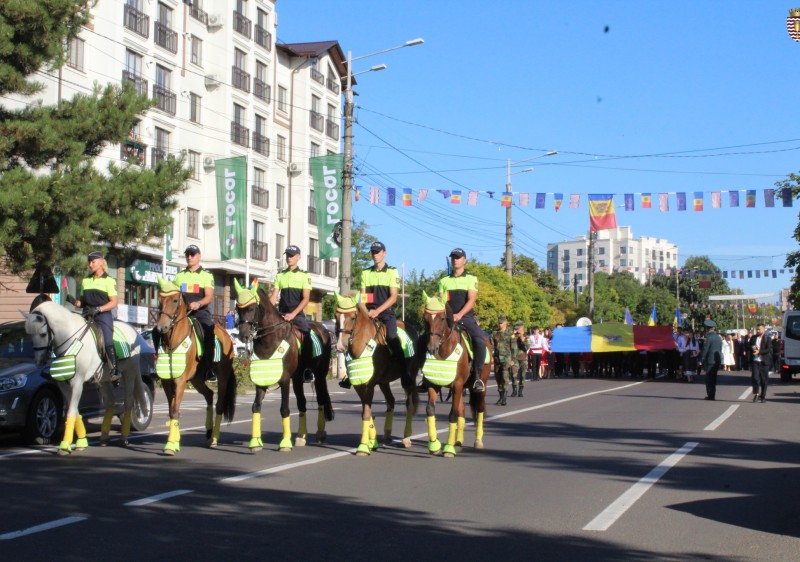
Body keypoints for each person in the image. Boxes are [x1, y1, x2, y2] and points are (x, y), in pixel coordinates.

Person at [341, 241, 412, 389]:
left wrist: (378, 311)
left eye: (378, 252)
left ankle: (404, 371)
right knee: (352, 338)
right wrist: (366, 312)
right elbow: (364, 296)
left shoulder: (392, 272)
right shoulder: (366, 273)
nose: (375, 255)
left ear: (384, 253)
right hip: (369, 314)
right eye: (373, 252)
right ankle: (349, 374)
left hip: (385, 314)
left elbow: (393, 297)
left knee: (392, 337)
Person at [438, 247, 486, 392]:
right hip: (447, 319)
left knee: (479, 340)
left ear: (464, 260)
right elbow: (441, 301)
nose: (455, 260)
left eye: (458, 257)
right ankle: (426, 377)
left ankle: (477, 376)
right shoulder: (444, 280)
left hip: (465, 318)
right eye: (453, 257)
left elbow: (471, 300)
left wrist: (459, 315)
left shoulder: (471, 279)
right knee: (426, 338)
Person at [271, 245, 315, 383]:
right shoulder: (280, 275)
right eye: (287, 255)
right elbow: (274, 297)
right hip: (281, 315)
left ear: (298, 257)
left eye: (292, 255)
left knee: (307, 334)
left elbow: (306, 298)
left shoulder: (304, 275)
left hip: (297, 315)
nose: (289, 258)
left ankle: (307, 369)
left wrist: (293, 314)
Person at [173, 245, 217, 383]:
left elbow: (209, 297)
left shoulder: (206, 275)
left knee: (209, 332)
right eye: (187, 254)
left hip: (200, 312)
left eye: (192, 254)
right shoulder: (179, 276)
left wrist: (198, 303)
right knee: (159, 331)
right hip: (182, 313)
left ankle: (209, 369)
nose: (189, 257)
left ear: (199, 256)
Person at [74, 251, 119, 381]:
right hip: (87, 314)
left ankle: (114, 370)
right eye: (89, 261)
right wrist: (76, 302)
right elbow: (82, 301)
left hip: (102, 315)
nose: (90, 264)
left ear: (101, 262)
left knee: (108, 341)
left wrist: (99, 309)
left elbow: (114, 302)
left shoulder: (109, 281)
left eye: (93, 262)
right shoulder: (86, 280)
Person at [492, 315, 515, 405]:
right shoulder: (494, 333)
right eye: (499, 322)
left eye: (501, 323)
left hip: (506, 358)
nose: (500, 324)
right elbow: (491, 346)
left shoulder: (510, 333)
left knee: (505, 378)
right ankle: (500, 396)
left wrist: (513, 359)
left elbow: (514, 347)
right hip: (497, 358)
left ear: (506, 322)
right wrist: (491, 357)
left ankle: (504, 397)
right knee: (498, 378)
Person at [698, 319, 723, 400]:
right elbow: (720, 348)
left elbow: (705, 350)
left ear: (707, 328)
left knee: (709, 378)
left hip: (710, 360)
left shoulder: (708, 337)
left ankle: (710, 395)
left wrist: (701, 360)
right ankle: (712, 394)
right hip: (717, 360)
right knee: (713, 378)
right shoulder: (718, 337)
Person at [750, 323, 771, 403]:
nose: (758, 331)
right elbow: (748, 346)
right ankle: (756, 394)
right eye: (757, 329)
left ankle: (763, 396)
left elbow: (768, 349)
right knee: (755, 378)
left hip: (764, 362)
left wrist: (759, 352)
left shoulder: (767, 338)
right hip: (755, 361)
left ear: (763, 329)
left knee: (764, 380)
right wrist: (752, 348)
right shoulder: (753, 338)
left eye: (759, 329)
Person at [512, 321, 528, 396]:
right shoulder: (513, 336)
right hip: (514, 358)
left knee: (523, 374)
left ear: (522, 328)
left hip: (523, 358)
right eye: (516, 328)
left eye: (518, 328)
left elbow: (527, 347)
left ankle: (520, 390)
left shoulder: (526, 336)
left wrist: (523, 340)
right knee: (513, 374)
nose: (517, 330)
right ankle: (514, 390)